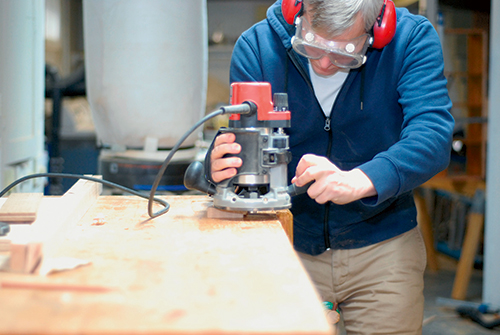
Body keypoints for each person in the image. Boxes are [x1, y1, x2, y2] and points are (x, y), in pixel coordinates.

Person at [208, 0, 454, 334]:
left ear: (375, 28)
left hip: (383, 247)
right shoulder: (258, 46)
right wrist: (221, 163)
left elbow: (432, 136)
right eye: (312, 45)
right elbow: (241, 142)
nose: (324, 64)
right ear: (298, 11)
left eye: (344, 53)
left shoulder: (411, 41)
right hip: (284, 246)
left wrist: (362, 180)